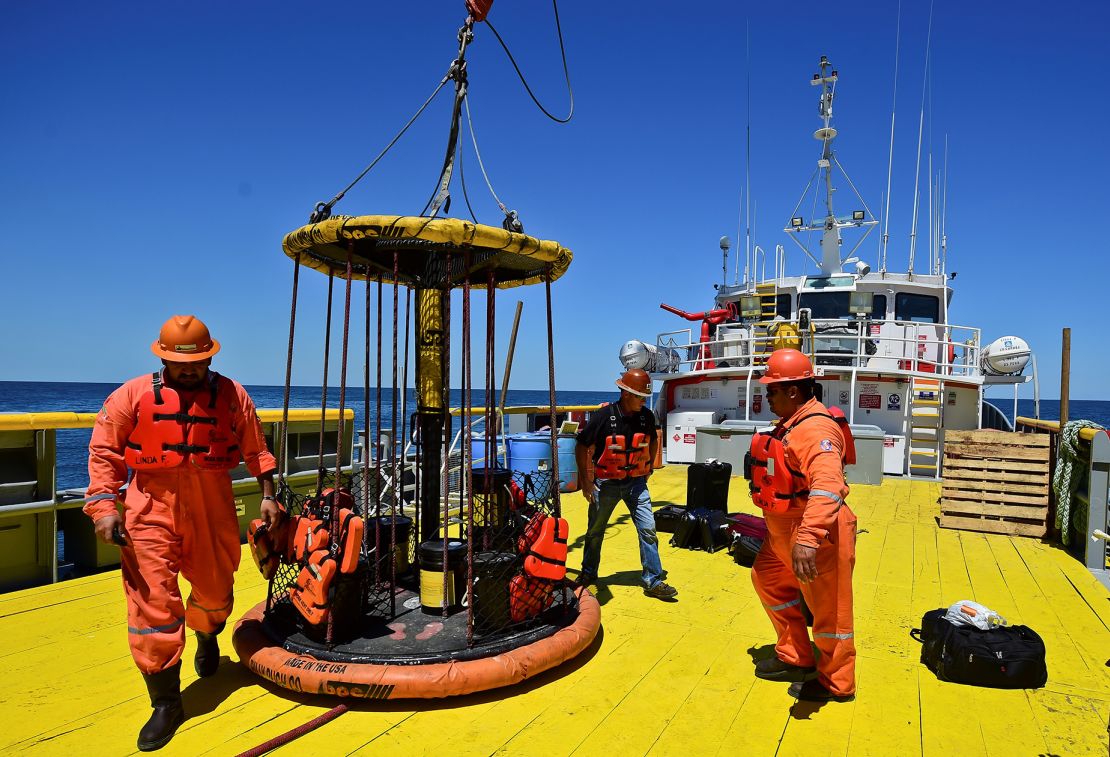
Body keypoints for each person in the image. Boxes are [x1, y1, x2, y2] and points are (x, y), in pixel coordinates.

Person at [84, 315, 281, 751]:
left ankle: (207, 635)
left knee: (215, 591)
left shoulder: (232, 395)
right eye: (178, 362)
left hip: (212, 506)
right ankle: (166, 702)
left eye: (197, 362)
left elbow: (256, 447)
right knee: (153, 603)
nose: (188, 369)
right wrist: (102, 507)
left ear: (210, 356)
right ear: (162, 357)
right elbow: (104, 451)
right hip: (148, 508)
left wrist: (269, 494)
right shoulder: (130, 396)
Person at [748, 348, 857, 702]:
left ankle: (836, 684)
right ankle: (796, 655)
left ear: (793, 391)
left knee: (830, 613)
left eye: (771, 391)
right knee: (766, 578)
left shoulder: (815, 430)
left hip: (816, 536)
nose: (767, 397)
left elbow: (828, 486)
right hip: (783, 534)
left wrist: (808, 540)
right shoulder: (792, 425)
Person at [575, 368, 677, 600]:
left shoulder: (647, 417)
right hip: (606, 485)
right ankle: (589, 573)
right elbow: (581, 445)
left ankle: (653, 580)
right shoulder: (603, 417)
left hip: (636, 484)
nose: (644, 401)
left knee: (648, 529)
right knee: (595, 531)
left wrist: (648, 468)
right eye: (640, 396)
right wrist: (586, 483)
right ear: (626, 394)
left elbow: (651, 441)